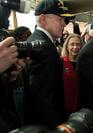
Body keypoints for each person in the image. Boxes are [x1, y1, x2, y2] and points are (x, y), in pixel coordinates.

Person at [23, 0, 74, 129]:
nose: (63, 24)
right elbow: (42, 96)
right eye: (59, 19)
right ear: (43, 19)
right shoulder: (44, 46)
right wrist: (56, 126)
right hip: (46, 122)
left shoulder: (39, 41)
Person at [61, 33, 83, 113]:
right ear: (67, 46)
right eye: (72, 44)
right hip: (64, 106)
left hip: (81, 105)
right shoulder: (61, 62)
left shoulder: (85, 63)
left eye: (78, 44)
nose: (75, 47)